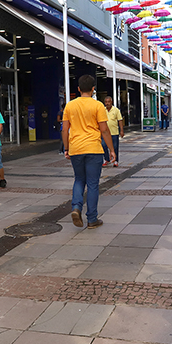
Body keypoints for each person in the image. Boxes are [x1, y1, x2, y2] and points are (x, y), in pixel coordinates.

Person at [62, 75, 115, 229]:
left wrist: (66, 148)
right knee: (92, 184)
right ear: (93, 89)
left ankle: (76, 207)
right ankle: (92, 219)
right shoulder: (98, 106)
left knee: (79, 179)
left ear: (78, 89)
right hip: (94, 149)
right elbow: (104, 131)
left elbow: (65, 130)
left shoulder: (70, 106)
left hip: (76, 148)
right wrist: (111, 150)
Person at [102, 96, 124, 168]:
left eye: (109, 102)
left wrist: (121, 131)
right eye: (106, 102)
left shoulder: (116, 110)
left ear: (111, 102)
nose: (107, 103)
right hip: (105, 133)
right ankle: (106, 159)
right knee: (103, 145)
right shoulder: (102, 110)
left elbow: (120, 120)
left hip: (114, 133)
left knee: (115, 147)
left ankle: (116, 161)